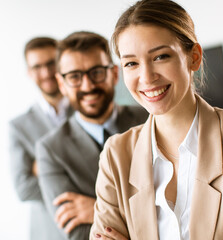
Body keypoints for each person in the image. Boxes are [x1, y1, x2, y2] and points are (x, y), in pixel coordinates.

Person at [90, 0, 223, 239]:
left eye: (161, 56)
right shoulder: (116, 155)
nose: (147, 77)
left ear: (193, 57)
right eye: (131, 63)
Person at [35, 31, 148, 240]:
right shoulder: (51, 150)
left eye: (96, 72)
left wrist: (96, 209)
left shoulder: (150, 120)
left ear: (114, 73)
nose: (87, 86)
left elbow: (179, 204)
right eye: (74, 76)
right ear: (61, 84)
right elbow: (77, 232)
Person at [9, 37, 73, 240]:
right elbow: (24, 189)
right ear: (29, 72)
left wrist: (46, 170)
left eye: (51, 63)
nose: (46, 73)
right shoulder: (19, 127)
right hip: (49, 231)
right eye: (37, 67)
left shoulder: (89, 107)